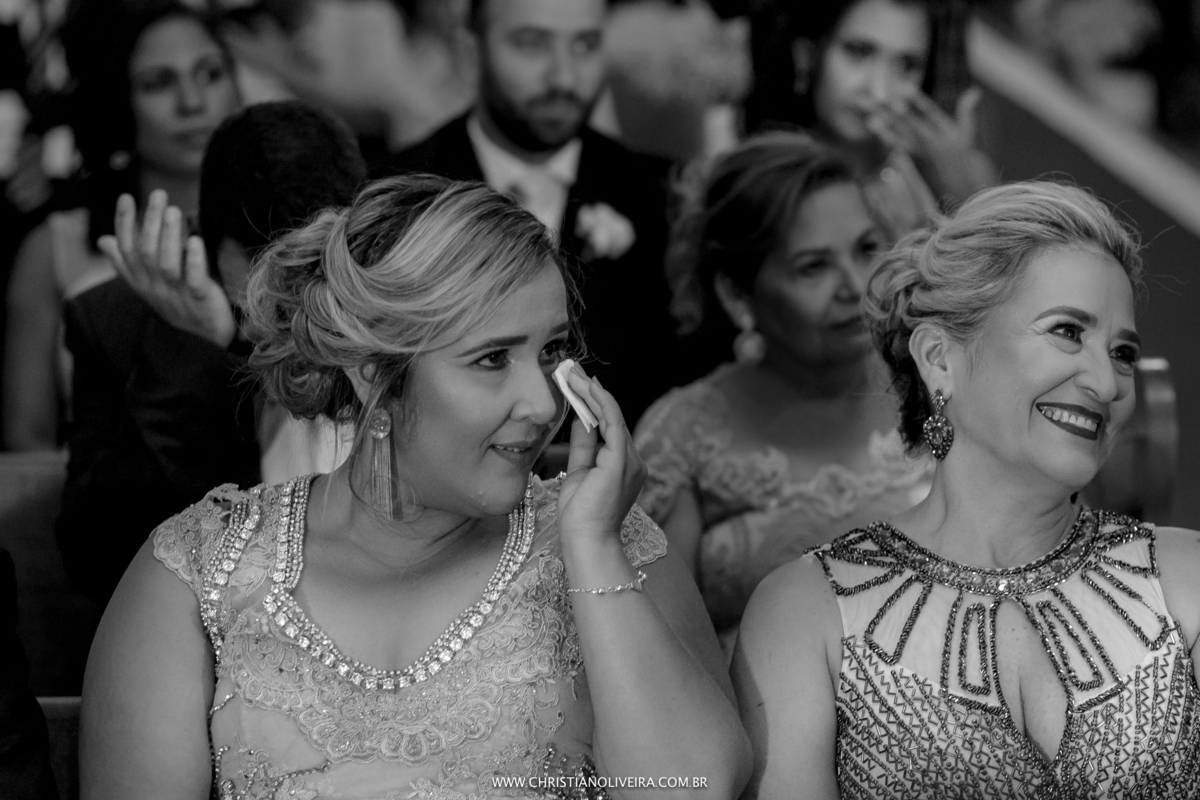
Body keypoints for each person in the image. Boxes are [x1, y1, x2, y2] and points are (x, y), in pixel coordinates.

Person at [80, 175, 751, 799]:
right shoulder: (198, 572)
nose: (543, 405)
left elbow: (695, 790)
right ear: (376, 373)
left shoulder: (613, 541)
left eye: (550, 352)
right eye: (492, 359)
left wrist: (595, 553)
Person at [733, 180, 1200, 797]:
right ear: (939, 358)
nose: (1107, 383)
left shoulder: (1185, 581)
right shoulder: (806, 612)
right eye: (1067, 331)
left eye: (1122, 352)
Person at [57, 100, 366, 605]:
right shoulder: (115, 324)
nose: (291, 307)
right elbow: (98, 560)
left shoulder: (400, 304)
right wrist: (196, 355)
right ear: (207, 236)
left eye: (312, 271)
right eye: (266, 274)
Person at [634, 132, 931, 653]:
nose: (854, 284)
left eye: (866, 249)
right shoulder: (682, 434)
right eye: (813, 266)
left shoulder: (933, 385)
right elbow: (658, 653)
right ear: (736, 292)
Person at [376, 0, 682, 425]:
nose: (563, 76)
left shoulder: (662, 196)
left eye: (585, 45)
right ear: (471, 54)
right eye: (531, 44)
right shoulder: (395, 197)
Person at [2, 0, 241, 450]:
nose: (192, 103)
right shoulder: (53, 247)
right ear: (118, 100)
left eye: (210, 74)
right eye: (158, 83)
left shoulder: (280, 228)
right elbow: (26, 445)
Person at [745, 0, 994, 239]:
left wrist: (967, 198)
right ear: (806, 54)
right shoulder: (754, 179)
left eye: (907, 65)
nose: (880, 91)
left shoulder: (929, 182)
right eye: (859, 52)